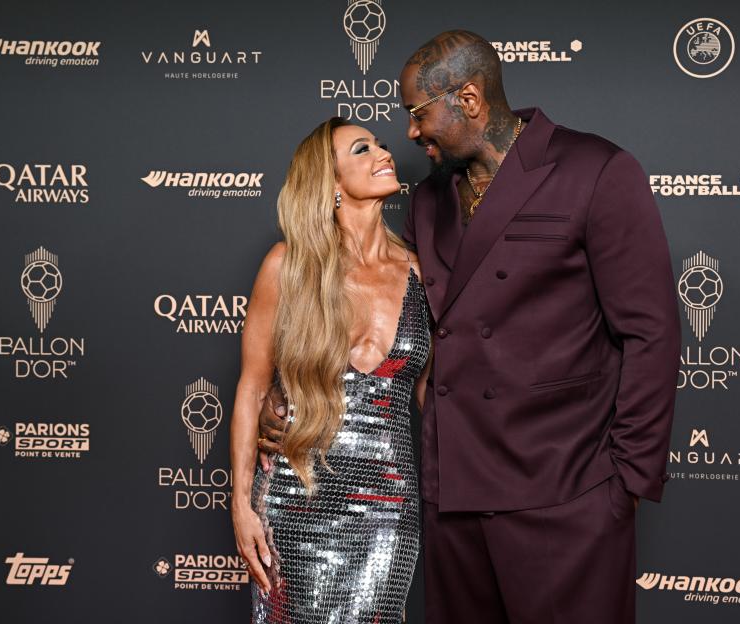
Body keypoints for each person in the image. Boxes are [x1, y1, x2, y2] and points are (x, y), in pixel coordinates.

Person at [260, 31, 680, 624]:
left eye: (417, 113)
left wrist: (625, 482)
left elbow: (652, 333)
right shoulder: (431, 200)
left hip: (564, 492)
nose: (409, 134)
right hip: (451, 498)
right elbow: (414, 330)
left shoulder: (595, 170)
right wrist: (284, 401)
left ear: (470, 99)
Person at [230, 117, 432, 624]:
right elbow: (253, 387)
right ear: (331, 182)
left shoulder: (421, 272)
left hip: (388, 507)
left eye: (381, 146)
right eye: (362, 149)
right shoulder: (287, 267)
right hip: (295, 498)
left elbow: (436, 397)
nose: (384, 153)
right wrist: (241, 505)